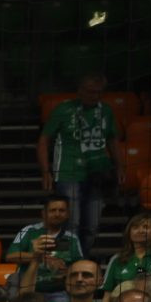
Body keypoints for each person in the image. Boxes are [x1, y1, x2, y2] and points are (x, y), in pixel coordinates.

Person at [38, 74, 118, 258]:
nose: (94, 96)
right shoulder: (63, 109)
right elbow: (44, 140)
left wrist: (119, 167)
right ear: (80, 91)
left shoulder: (106, 111)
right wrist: (45, 171)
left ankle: (81, 259)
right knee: (71, 223)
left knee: (92, 226)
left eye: (98, 92)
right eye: (90, 92)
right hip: (68, 172)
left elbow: (113, 140)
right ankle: (65, 260)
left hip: (97, 173)